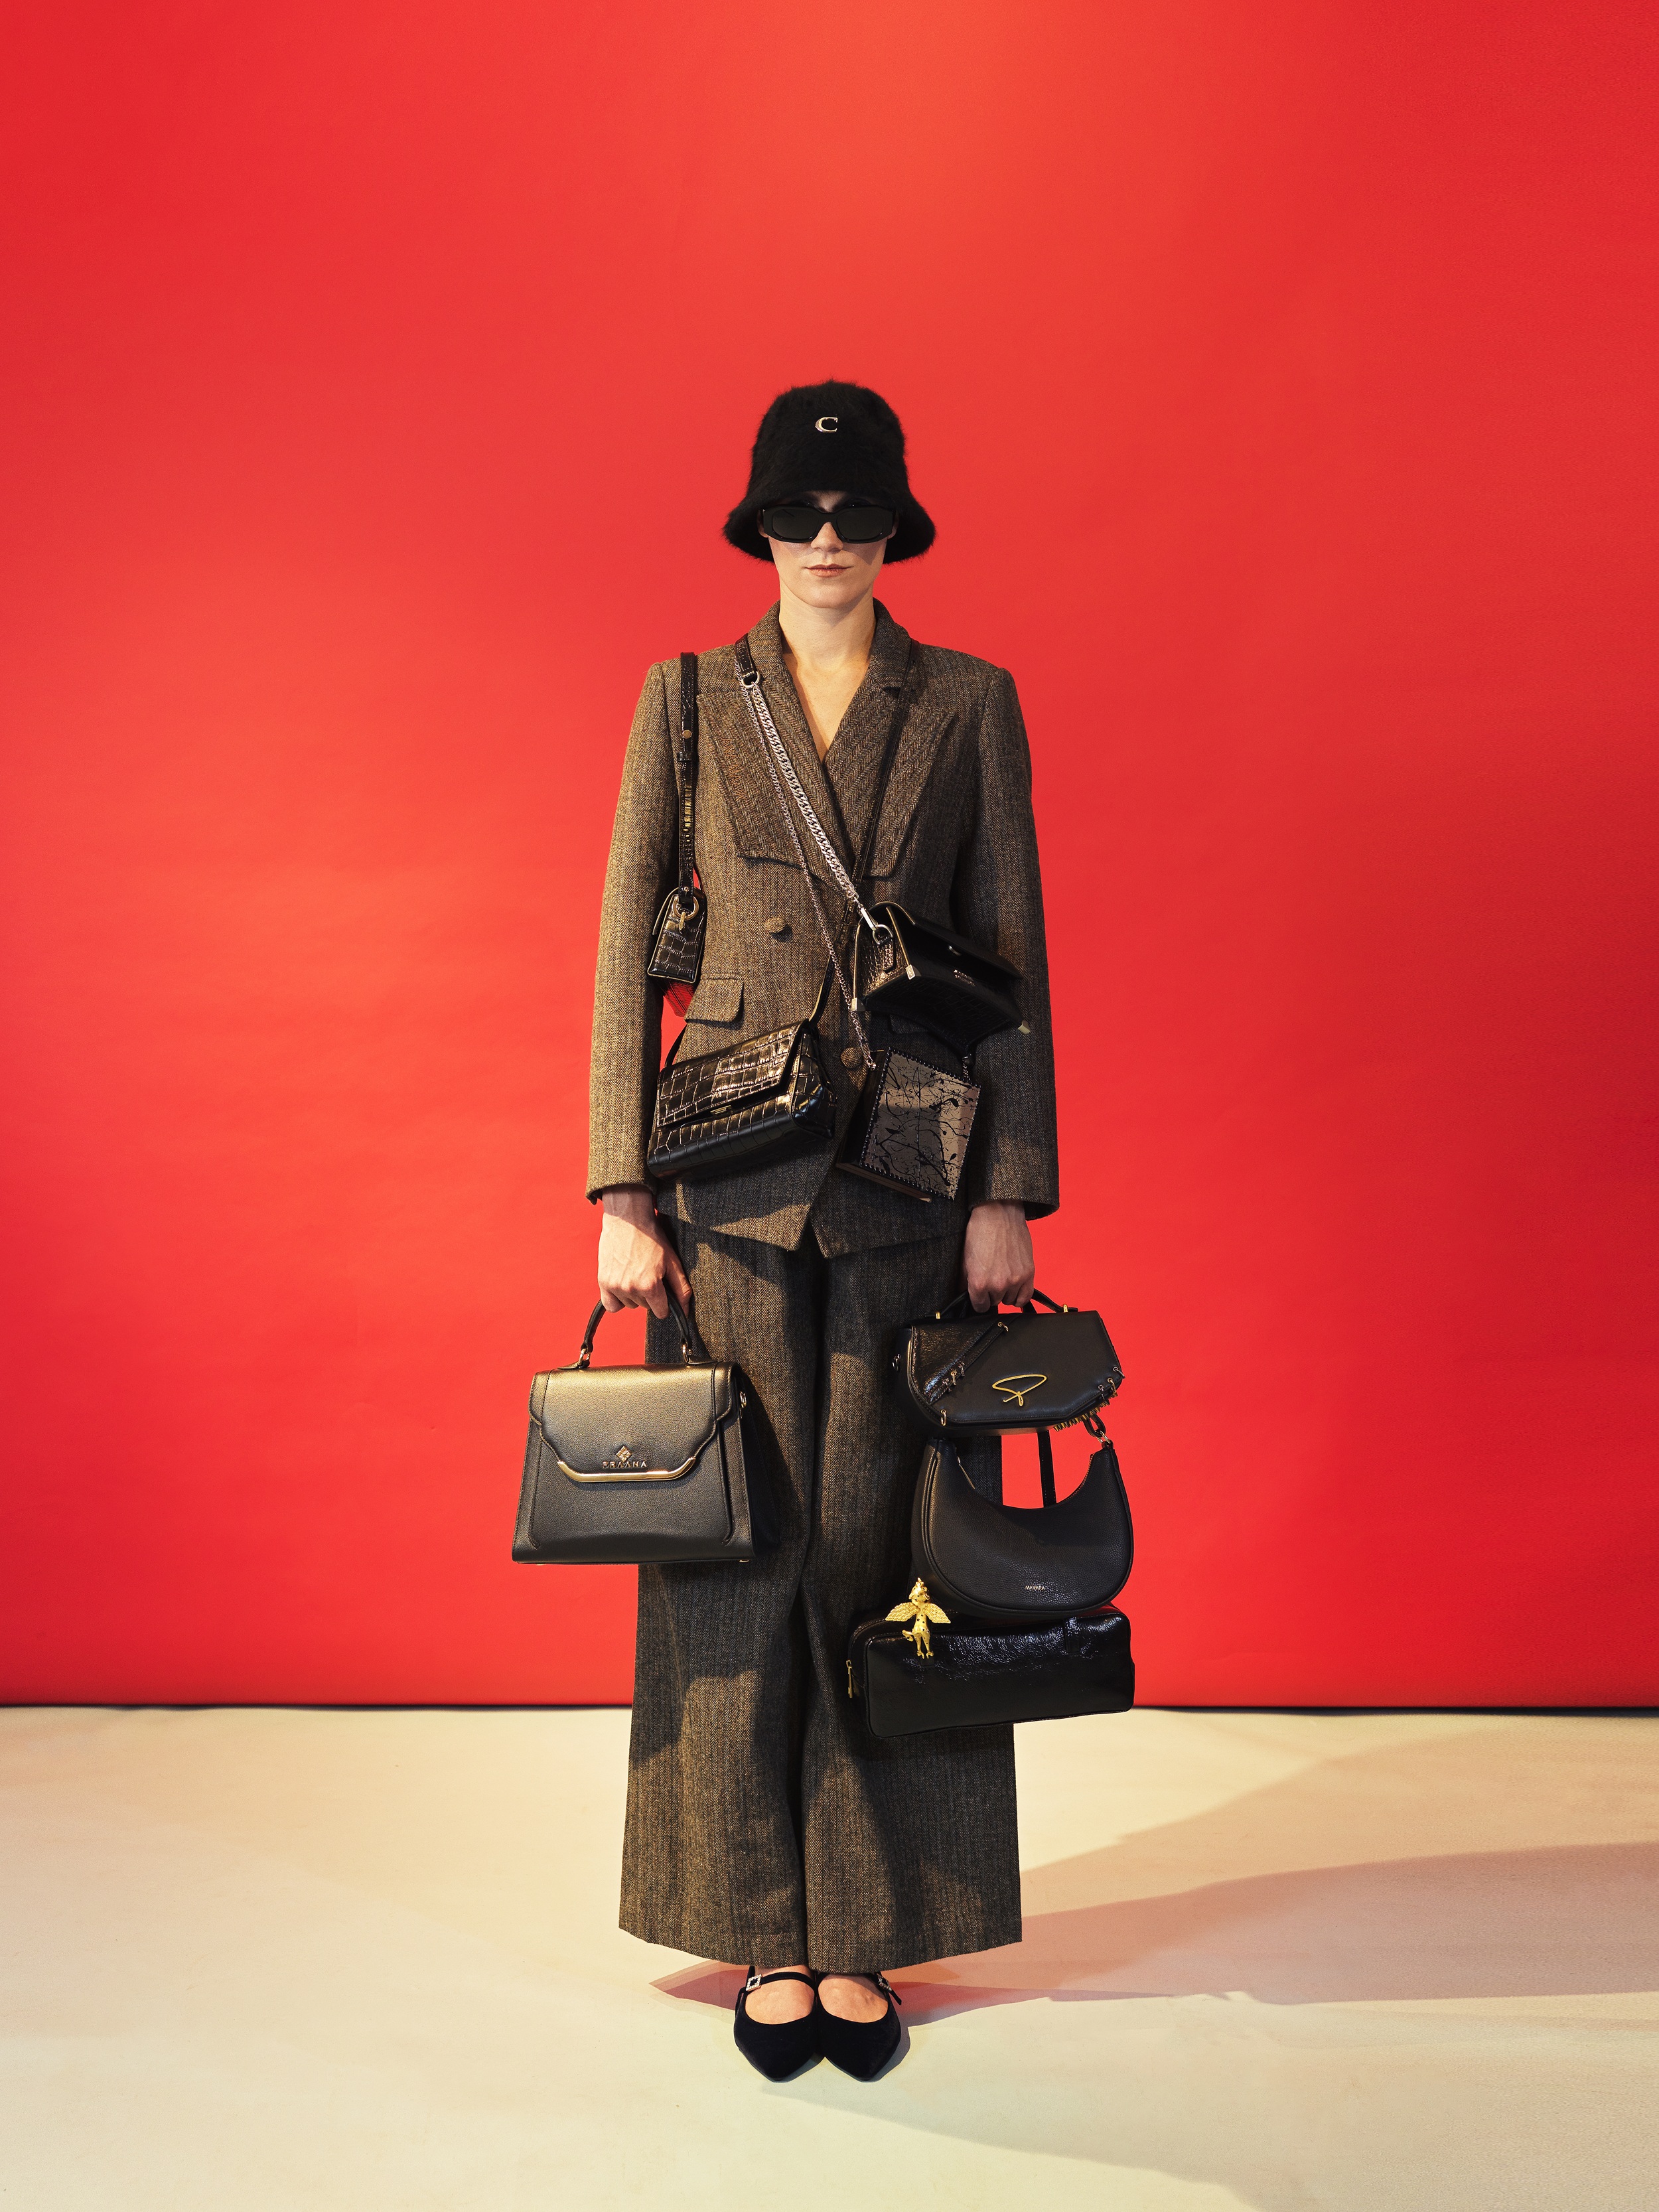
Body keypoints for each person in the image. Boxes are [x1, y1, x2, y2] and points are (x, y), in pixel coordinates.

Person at [587, 380, 1058, 2081]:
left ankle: (863, 1924)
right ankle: (757, 1923)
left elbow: (1009, 959)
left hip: (907, 1179)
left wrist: (1005, 1188)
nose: (827, 538)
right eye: (798, 512)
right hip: (722, 1181)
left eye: (856, 515)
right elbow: (622, 944)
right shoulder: (686, 700)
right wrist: (617, 1190)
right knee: (731, 1555)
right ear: (761, 527)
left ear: (894, 528)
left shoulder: (969, 702)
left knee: (882, 1551)